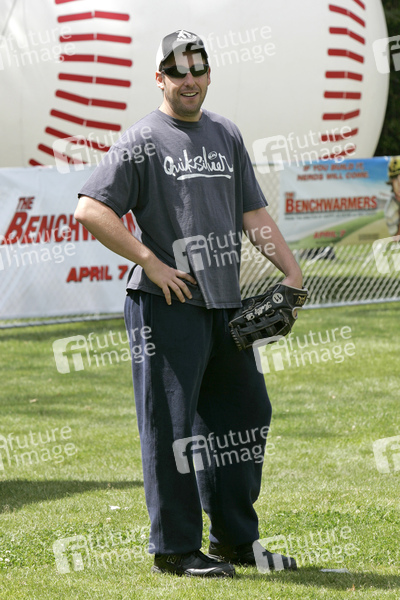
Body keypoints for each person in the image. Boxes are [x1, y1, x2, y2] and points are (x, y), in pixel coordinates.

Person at [75, 29, 303, 578]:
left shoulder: (226, 133)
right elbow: (91, 209)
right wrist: (150, 262)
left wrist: (292, 271)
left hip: (225, 305)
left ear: (208, 74)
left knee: (245, 415)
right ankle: (175, 548)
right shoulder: (143, 139)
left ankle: (233, 540)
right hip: (166, 302)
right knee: (171, 428)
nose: (189, 79)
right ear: (160, 78)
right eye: (177, 71)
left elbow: (252, 213)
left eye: (198, 69)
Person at [384, 156, 400, 237]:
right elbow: (395, 239)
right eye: (396, 179)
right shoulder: (390, 211)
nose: (399, 184)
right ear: (391, 183)